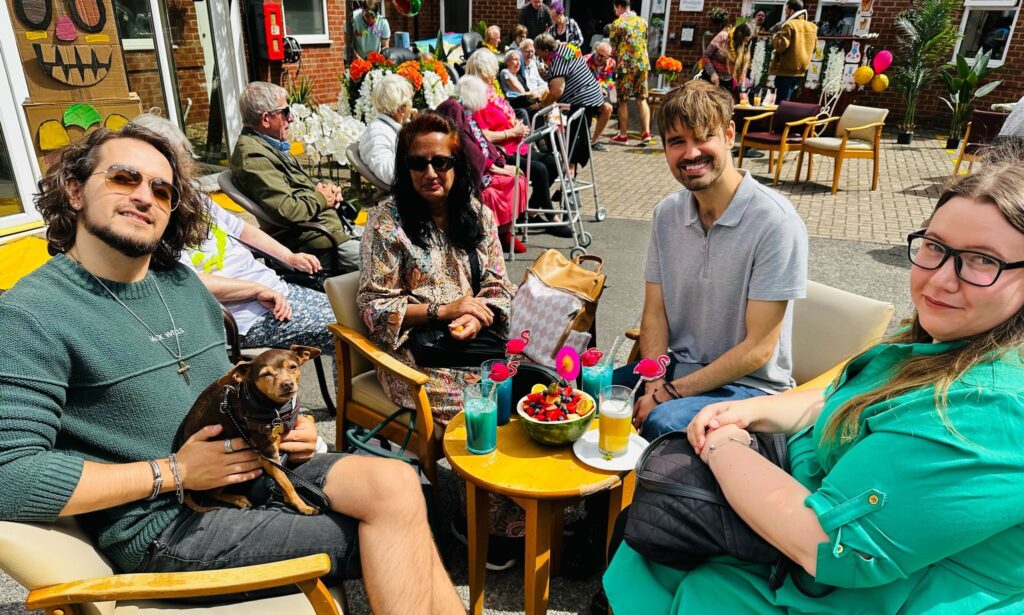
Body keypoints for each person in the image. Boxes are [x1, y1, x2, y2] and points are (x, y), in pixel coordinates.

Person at [0, 124, 465, 615]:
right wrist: (173, 472)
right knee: (388, 531)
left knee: (400, 486)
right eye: (123, 178)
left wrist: (288, 422)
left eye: (161, 190)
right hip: (167, 522)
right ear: (74, 189)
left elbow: (228, 388)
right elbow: (9, 476)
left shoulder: (181, 284)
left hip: (254, 472)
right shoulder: (34, 314)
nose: (145, 198)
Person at [605, 149, 1024, 615]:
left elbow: (833, 546)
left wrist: (723, 442)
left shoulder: (991, 408)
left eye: (982, 261)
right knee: (643, 519)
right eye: (935, 247)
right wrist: (752, 412)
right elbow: (836, 397)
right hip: (781, 525)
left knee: (657, 491)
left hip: (831, 586)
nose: (942, 279)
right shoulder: (929, 345)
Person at [614, 80, 807, 440]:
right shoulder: (666, 214)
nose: (690, 153)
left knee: (662, 422)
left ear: (730, 134)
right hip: (678, 370)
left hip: (751, 388)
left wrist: (669, 394)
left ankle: (640, 493)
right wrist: (655, 379)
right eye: (677, 142)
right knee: (593, 393)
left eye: (703, 137)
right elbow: (654, 312)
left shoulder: (775, 221)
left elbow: (759, 350)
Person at [132, 113, 336, 359]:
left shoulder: (194, 199)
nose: (185, 167)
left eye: (183, 157)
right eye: (177, 160)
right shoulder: (151, 220)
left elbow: (242, 230)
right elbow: (189, 282)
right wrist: (254, 289)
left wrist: (289, 257)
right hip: (243, 317)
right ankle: (353, 395)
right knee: (342, 332)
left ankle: (357, 394)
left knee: (351, 314)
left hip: (273, 290)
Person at [230, 82, 362, 273]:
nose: (291, 118)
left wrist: (328, 190)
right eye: (285, 111)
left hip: (331, 230)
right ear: (266, 119)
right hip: (319, 242)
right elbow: (287, 209)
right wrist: (322, 199)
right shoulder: (252, 156)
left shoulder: (269, 145)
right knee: (389, 267)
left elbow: (300, 185)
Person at [464, 49, 572, 237]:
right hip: (500, 153)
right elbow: (480, 135)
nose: (493, 75)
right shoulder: (475, 98)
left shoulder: (490, 91)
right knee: (539, 170)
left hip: (517, 146)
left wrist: (515, 124)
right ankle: (550, 216)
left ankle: (529, 210)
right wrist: (511, 132)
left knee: (554, 162)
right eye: (491, 71)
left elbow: (503, 113)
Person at [436, 76, 529, 254]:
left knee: (518, 176)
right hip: (464, 169)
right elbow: (464, 145)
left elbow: (479, 140)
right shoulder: (453, 108)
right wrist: (493, 167)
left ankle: (505, 232)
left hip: (479, 164)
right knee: (503, 184)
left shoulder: (463, 108)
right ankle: (491, 233)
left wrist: (496, 161)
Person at [534, 33, 606, 171]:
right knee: (575, 135)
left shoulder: (558, 61)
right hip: (590, 94)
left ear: (546, 51)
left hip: (583, 98)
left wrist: (542, 105)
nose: (539, 57)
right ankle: (571, 169)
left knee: (574, 138)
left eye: (539, 53)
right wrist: (548, 76)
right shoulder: (564, 48)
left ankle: (570, 172)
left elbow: (557, 91)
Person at [608, 0, 653, 146]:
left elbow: (613, 49)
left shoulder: (617, 24)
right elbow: (644, 42)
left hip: (625, 66)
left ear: (619, 7)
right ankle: (646, 133)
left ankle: (623, 135)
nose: (615, 11)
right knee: (642, 98)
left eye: (615, 8)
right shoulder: (643, 22)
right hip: (642, 64)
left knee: (623, 100)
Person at [359, 73, 416, 186]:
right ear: (401, 109)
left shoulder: (390, 126)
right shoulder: (377, 133)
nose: (411, 108)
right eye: (409, 103)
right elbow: (390, 175)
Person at [769, 0, 818, 102]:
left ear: (791, 11)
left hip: (786, 69)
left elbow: (781, 46)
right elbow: (815, 47)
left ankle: (780, 118)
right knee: (787, 98)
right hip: (800, 70)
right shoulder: (812, 27)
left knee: (781, 101)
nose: (786, 13)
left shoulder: (789, 25)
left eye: (786, 10)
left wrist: (775, 36)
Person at [701, 22, 754, 95]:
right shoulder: (723, 36)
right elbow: (706, 56)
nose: (745, 44)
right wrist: (712, 73)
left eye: (747, 41)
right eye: (744, 41)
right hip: (710, 78)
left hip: (727, 82)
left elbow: (742, 72)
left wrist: (742, 92)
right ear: (739, 35)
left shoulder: (745, 48)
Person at [585, 40, 617, 150]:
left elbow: (609, 81)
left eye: (603, 57)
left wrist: (605, 87)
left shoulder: (611, 63)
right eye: (598, 54)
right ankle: (583, 141)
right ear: (595, 51)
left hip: (598, 97)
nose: (599, 58)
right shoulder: (585, 61)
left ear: (608, 57)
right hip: (583, 97)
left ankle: (594, 141)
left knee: (608, 109)